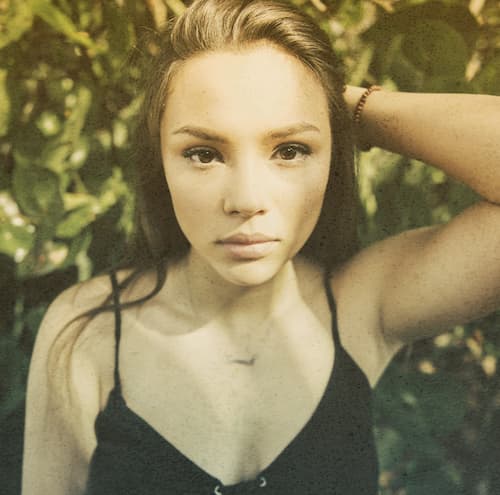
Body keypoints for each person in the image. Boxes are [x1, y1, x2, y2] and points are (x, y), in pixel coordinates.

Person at [22, 0, 500, 494]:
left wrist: (343, 106)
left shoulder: (362, 308)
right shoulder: (91, 330)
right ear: (159, 161)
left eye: (290, 150)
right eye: (203, 154)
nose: (247, 199)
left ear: (332, 152)